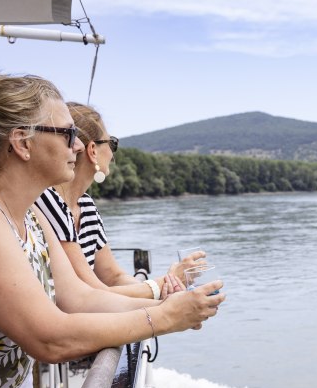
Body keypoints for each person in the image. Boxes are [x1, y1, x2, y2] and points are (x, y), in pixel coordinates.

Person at [0, 63, 225, 388]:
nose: (81, 145)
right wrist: (164, 318)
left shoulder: (28, 213)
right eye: (68, 134)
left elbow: (79, 298)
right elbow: (50, 338)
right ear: (23, 142)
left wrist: (168, 300)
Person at [35, 102, 202, 300]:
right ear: (93, 151)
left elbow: (113, 276)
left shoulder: (86, 206)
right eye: (112, 143)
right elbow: (93, 292)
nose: (114, 153)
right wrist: (165, 284)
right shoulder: (48, 202)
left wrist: (167, 293)